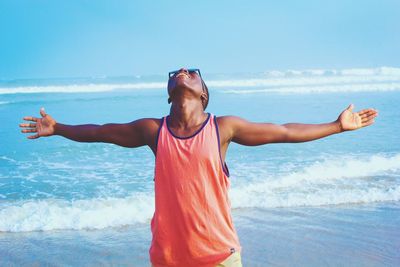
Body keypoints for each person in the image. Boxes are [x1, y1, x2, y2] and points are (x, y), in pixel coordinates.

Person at [20, 68, 378, 267]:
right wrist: (59, 128)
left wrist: (336, 125)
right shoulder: (153, 130)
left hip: (220, 257)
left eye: (193, 72)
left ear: (203, 94)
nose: (183, 71)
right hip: (169, 259)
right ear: (169, 93)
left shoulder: (223, 128)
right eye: (176, 72)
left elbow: (284, 132)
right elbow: (102, 133)